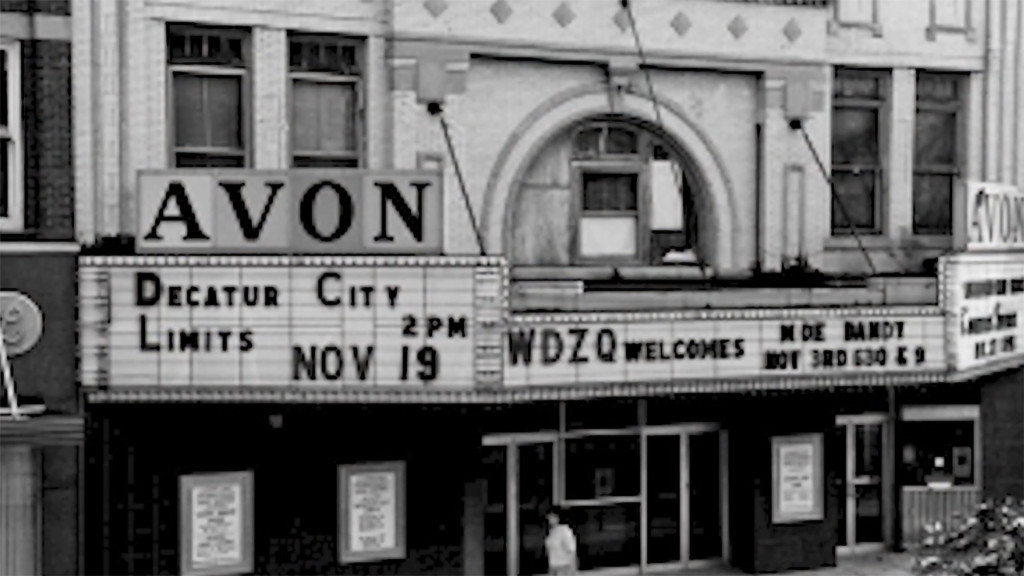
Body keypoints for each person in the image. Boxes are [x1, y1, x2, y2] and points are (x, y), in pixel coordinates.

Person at [544, 506, 578, 575]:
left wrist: (573, 571)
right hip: (553, 566)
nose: (549, 519)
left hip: (564, 567)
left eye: (551, 516)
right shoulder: (552, 531)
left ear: (558, 517)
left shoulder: (564, 530)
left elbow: (571, 550)